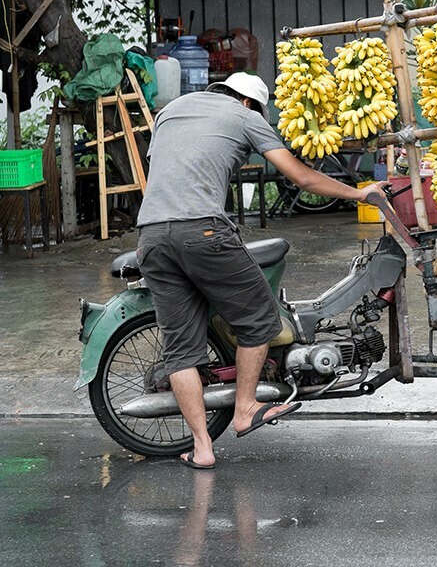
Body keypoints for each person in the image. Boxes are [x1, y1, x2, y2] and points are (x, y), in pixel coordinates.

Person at [136, 72, 385, 470]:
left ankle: (202, 448)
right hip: (202, 230)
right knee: (261, 321)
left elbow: (174, 167)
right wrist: (359, 193)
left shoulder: (171, 110)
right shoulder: (244, 115)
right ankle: (245, 408)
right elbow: (301, 177)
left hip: (151, 236)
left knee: (180, 351)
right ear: (249, 102)